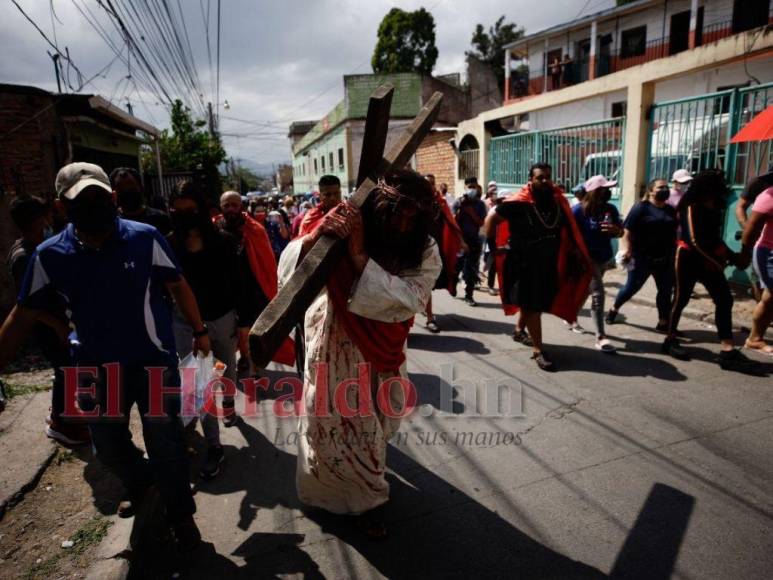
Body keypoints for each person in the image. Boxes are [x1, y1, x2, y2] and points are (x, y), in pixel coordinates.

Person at [0, 162, 204, 550]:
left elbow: (178, 285)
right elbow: (22, 315)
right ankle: (143, 482)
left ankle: (181, 516)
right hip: (96, 369)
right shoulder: (49, 255)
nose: (93, 206)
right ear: (62, 207)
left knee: (166, 442)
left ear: (111, 198)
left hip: (152, 364)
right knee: (107, 445)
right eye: (82, 201)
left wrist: (199, 330)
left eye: (98, 197)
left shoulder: (146, 238)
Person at [278, 169, 441, 537]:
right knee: (337, 426)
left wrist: (359, 257)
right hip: (333, 339)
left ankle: (362, 490)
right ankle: (366, 502)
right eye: (397, 211)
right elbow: (290, 265)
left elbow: (410, 298)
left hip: (382, 347)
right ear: (381, 204)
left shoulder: (423, 246)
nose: (403, 222)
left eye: (412, 216)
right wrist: (317, 236)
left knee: (375, 423)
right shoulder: (344, 222)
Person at [167, 180, 248, 479]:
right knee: (199, 386)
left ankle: (229, 404)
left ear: (202, 210)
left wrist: (242, 323)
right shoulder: (168, 244)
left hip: (222, 318)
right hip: (186, 325)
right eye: (179, 211)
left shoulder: (224, 241)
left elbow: (238, 283)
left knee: (227, 370)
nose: (186, 216)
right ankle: (214, 446)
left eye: (191, 210)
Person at [485, 163, 592, 371]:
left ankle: (518, 330)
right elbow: (491, 219)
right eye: (540, 177)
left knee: (538, 302)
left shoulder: (557, 202)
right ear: (531, 180)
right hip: (522, 263)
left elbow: (568, 228)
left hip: (548, 262)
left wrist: (575, 251)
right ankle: (538, 350)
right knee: (532, 305)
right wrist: (493, 248)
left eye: (548, 177)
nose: (545, 181)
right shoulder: (519, 202)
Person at [7, 196, 89, 445]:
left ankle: (63, 414)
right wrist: (58, 326)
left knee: (66, 370)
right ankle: (62, 424)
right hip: (47, 326)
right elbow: (28, 304)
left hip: (56, 322)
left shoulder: (34, 248)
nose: (50, 221)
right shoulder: (24, 256)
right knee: (65, 371)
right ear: (36, 220)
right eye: (46, 216)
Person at [662, 169, 760, 373]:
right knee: (681, 298)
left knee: (724, 298)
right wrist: (716, 263)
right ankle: (669, 340)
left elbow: (715, 239)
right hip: (687, 257)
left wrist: (733, 257)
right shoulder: (691, 205)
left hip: (708, 260)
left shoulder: (714, 206)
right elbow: (694, 240)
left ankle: (727, 349)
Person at [216, 191, 295, 371]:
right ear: (220, 207)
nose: (231, 209)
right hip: (225, 288)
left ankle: (253, 362)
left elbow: (266, 261)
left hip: (251, 287)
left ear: (242, 206)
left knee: (250, 328)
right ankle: (244, 357)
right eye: (226, 205)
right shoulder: (214, 228)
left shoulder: (254, 229)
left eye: (234, 205)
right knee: (231, 331)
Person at [607, 178, 677, 331]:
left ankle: (663, 322)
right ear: (651, 191)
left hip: (664, 259)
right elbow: (627, 232)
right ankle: (614, 309)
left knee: (665, 292)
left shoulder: (670, 210)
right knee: (631, 288)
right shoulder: (641, 208)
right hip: (642, 258)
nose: (665, 189)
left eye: (666, 187)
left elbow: (673, 234)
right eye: (660, 187)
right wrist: (626, 250)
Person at [572, 176, 623, 352]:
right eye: (603, 189)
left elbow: (620, 232)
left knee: (589, 290)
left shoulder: (610, 209)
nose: (607, 192)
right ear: (594, 192)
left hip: (604, 257)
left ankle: (571, 317)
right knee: (598, 294)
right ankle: (601, 337)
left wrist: (616, 230)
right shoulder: (578, 211)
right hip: (587, 259)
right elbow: (568, 235)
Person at [424, 174, 468, 332]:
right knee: (424, 284)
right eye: (426, 183)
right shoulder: (414, 202)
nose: (429, 186)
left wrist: (461, 241)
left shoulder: (440, 202)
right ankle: (429, 318)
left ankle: (427, 313)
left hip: (435, 248)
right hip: (417, 249)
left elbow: (451, 222)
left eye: (431, 183)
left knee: (429, 283)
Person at [740, 183, 773, 354]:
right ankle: (754, 339)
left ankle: (755, 338)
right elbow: (751, 230)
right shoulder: (769, 195)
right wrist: (744, 255)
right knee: (770, 297)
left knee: (769, 298)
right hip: (769, 253)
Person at [735, 166, 773, 301]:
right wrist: (746, 226)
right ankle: (761, 306)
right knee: (757, 278)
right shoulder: (758, 183)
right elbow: (740, 206)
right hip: (760, 239)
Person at [453, 179, 487, 306]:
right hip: (459, 241)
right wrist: (460, 209)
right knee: (457, 266)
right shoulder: (458, 201)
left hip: (473, 240)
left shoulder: (480, 204)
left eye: (474, 186)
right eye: (469, 186)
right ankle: (453, 285)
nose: (472, 189)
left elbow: (481, 223)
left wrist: (472, 213)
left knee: (471, 269)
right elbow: (452, 221)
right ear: (465, 187)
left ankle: (469, 295)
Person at [110, 167, 171, 235]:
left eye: (131, 185)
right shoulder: (111, 222)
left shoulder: (160, 218)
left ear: (141, 188)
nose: (127, 190)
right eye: (121, 187)